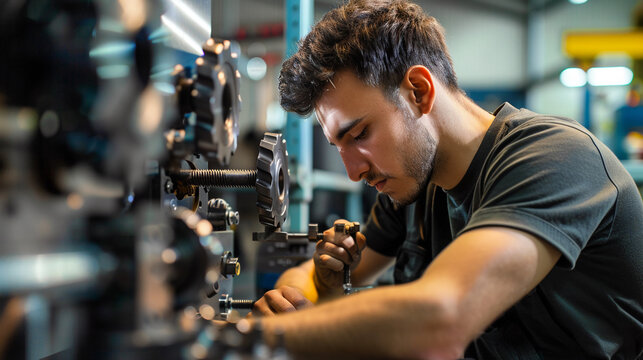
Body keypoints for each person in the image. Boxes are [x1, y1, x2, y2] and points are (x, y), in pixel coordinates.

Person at [249, 0, 643, 358]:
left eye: (359, 135)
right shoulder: (411, 184)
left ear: (418, 92)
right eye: (339, 146)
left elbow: (440, 319)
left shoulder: (555, 157)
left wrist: (253, 337)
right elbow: (315, 276)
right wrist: (301, 296)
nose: (354, 172)